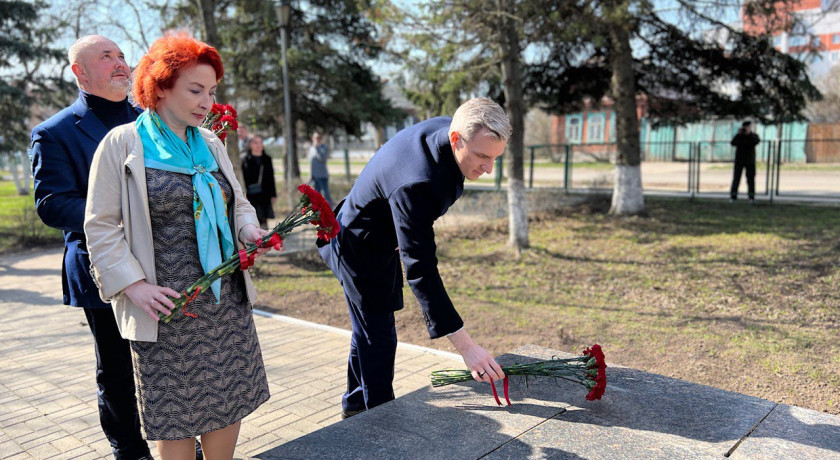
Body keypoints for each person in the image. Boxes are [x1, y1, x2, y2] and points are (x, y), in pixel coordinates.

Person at [84, 34, 276, 459]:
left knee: (228, 405)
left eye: (211, 91)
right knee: (175, 418)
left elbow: (238, 202)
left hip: (225, 302)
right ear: (162, 85)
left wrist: (249, 231)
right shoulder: (122, 145)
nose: (206, 101)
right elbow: (99, 228)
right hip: (167, 308)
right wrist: (134, 286)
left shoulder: (209, 143)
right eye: (195, 90)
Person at [318, 97, 510, 418]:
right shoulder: (417, 182)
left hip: (380, 237)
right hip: (358, 246)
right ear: (455, 139)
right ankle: (380, 426)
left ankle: (354, 409)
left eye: (495, 158)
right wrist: (467, 347)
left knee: (369, 331)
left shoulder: (452, 129)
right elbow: (420, 267)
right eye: (481, 157)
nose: (489, 168)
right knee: (378, 339)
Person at [28, 35, 155, 460]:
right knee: (118, 368)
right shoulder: (55, 132)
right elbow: (51, 204)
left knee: (167, 362)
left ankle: (177, 441)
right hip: (101, 268)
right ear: (78, 71)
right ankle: (130, 449)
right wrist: (121, 210)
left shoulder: (152, 120)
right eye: (107, 57)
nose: (121, 63)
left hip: (162, 261)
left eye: (121, 56)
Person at [242, 135, 277, 229]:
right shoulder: (245, 159)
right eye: (255, 143)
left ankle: (264, 240)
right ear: (250, 145)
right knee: (252, 219)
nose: (259, 145)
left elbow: (271, 177)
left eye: (260, 142)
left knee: (264, 219)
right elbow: (243, 178)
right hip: (250, 194)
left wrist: (273, 194)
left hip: (265, 194)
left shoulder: (267, 159)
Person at [730, 121, 760, 203]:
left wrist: (749, 134)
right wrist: (739, 134)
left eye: (748, 127)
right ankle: (733, 196)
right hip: (739, 160)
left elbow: (757, 141)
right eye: (745, 127)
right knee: (736, 178)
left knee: (750, 179)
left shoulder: (753, 136)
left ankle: (751, 197)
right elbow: (733, 143)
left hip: (750, 161)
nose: (746, 129)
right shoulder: (739, 136)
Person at [308, 131, 333, 206]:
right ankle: (318, 213)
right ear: (313, 139)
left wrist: (317, 148)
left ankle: (331, 211)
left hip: (322, 176)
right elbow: (311, 163)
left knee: (326, 195)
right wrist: (310, 176)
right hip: (314, 177)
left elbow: (322, 158)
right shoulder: (311, 149)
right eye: (315, 138)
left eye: (319, 138)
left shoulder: (324, 148)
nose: (317, 139)